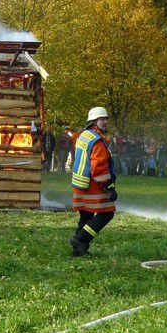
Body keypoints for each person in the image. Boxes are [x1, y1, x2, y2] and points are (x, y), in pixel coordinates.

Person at [69, 106, 116, 257]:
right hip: (93, 185)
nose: (105, 122)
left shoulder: (84, 135)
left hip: (80, 184)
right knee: (107, 214)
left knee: (86, 216)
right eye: (101, 119)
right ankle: (80, 239)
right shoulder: (97, 140)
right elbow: (99, 168)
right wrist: (109, 187)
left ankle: (79, 251)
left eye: (106, 119)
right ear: (93, 121)